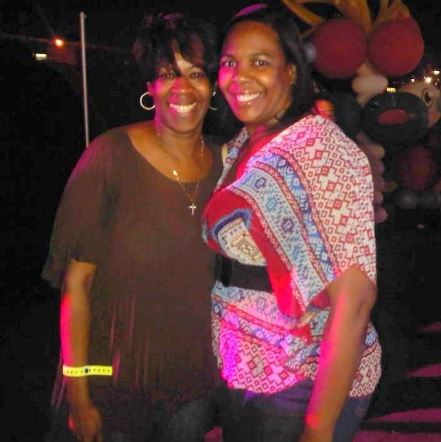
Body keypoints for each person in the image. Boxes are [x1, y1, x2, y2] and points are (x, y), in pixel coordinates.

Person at [201, 3, 382, 441]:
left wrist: (318, 429)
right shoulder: (245, 143)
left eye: (260, 62)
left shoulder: (319, 149)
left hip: (301, 379)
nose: (239, 77)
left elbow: (355, 300)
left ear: (292, 72)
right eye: (230, 63)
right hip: (244, 367)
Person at [42, 12, 223, 442]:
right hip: (113, 388)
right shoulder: (109, 157)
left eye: (196, 73)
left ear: (212, 86)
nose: (183, 87)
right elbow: (76, 287)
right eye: (168, 74)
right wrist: (80, 397)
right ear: (150, 87)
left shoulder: (227, 163)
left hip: (192, 390)